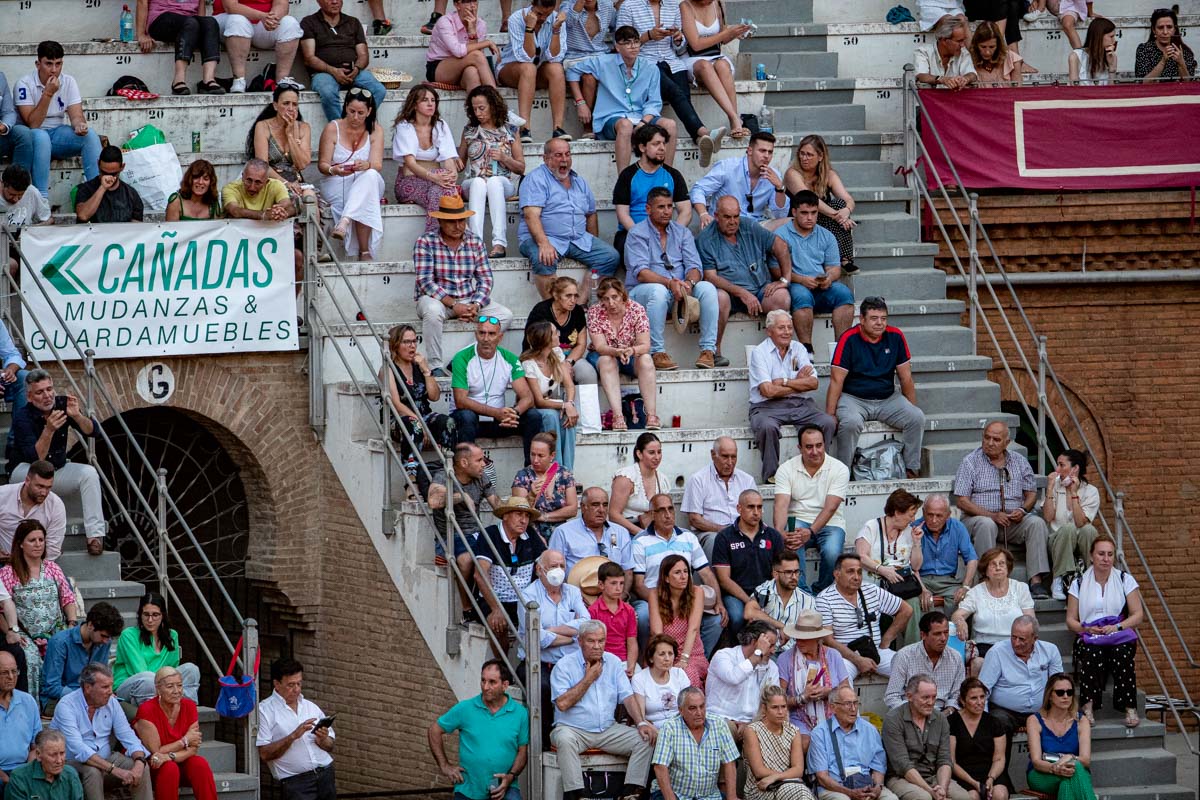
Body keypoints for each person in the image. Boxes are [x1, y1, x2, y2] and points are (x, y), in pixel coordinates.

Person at [549, 619, 654, 800]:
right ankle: (578, 795)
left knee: (645, 739)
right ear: (580, 641)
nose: (597, 646)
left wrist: (641, 722)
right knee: (564, 739)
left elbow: (628, 697)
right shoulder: (564, 665)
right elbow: (562, 704)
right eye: (591, 641)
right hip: (573, 730)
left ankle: (630, 793)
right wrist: (589, 678)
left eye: (601, 641)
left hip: (607, 729)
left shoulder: (613, 662)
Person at [616, 0, 727, 167]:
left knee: (682, 95)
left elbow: (680, 49)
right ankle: (702, 133)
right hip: (645, 63)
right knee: (677, 93)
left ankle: (700, 139)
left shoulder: (673, 5)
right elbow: (622, 41)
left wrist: (678, 39)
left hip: (672, 61)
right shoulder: (629, 6)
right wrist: (648, 36)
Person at [414, 195, 513, 374]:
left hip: (468, 299)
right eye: (452, 222)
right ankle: (435, 365)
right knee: (433, 311)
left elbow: (485, 278)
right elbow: (425, 282)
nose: (458, 226)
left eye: (461, 220)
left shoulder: (475, 241)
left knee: (505, 315)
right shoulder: (425, 242)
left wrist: (475, 305)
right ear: (441, 221)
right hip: (437, 299)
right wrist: (453, 304)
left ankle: (463, 356)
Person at [954, 420, 1052, 599]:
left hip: (1013, 521)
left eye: (996, 439)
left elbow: (1031, 494)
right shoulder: (970, 462)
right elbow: (961, 500)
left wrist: (1022, 510)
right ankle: (986, 580)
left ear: (1007, 443)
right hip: (978, 519)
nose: (990, 443)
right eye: (987, 438)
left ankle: (1036, 582)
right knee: (986, 524)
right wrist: (992, 515)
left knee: (1036, 523)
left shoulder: (1020, 462)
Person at [828, 298, 924, 480]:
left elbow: (906, 378)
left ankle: (911, 469)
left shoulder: (895, 336)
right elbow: (836, 380)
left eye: (883, 318)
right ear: (861, 320)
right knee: (850, 423)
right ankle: (843, 473)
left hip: (887, 398)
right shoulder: (848, 339)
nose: (880, 323)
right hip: (854, 398)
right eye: (874, 318)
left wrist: (912, 407)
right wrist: (830, 414)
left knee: (917, 417)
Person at [626, 187, 720, 370]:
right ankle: (657, 351)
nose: (667, 211)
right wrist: (670, 283)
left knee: (707, 288)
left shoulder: (682, 232)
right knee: (658, 291)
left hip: (680, 290)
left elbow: (695, 266)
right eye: (661, 207)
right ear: (648, 209)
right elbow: (641, 273)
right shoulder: (636, 233)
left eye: (670, 206)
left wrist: (689, 283)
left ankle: (708, 350)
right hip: (644, 292)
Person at [7, 372, 102, 551]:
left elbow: (93, 432)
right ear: (29, 396)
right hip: (24, 472)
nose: (47, 395)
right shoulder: (22, 416)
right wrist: (49, 430)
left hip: (56, 469)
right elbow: (36, 460)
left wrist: (77, 417)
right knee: (37, 479)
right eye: (40, 392)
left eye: (49, 389)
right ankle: (38, 539)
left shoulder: (62, 404)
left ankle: (94, 536)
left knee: (89, 473)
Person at [519, 138, 621, 300]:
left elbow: (591, 214)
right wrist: (543, 243)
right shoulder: (536, 179)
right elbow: (531, 215)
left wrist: (593, 239)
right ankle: (556, 309)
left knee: (609, 257)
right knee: (544, 258)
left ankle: (580, 301)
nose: (564, 159)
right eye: (558, 155)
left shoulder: (579, 182)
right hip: (546, 237)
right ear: (545, 158)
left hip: (577, 238)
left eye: (567, 154)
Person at [567, 26, 676, 172]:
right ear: (617, 47)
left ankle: (667, 175)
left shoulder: (650, 68)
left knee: (670, 124)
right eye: (627, 43)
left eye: (636, 42)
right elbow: (572, 71)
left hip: (641, 118)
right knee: (625, 125)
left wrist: (644, 122)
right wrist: (581, 102)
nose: (633, 46)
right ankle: (623, 180)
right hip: (611, 118)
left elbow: (654, 102)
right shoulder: (604, 62)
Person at [700, 200, 795, 363]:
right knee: (717, 297)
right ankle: (714, 352)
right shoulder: (706, 238)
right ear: (716, 216)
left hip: (759, 289)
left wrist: (785, 279)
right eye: (727, 217)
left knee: (782, 297)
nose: (732, 221)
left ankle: (779, 353)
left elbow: (781, 246)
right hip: (729, 294)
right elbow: (710, 276)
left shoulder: (749, 226)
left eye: (736, 216)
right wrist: (741, 293)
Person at [632, 493, 726, 657]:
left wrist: (719, 601)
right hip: (654, 597)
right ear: (652, 514)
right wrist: (663, 601)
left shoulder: (688, 537)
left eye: (670, 509)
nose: (668, 515)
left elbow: (707, 574)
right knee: (645, 616)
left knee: (717, 620)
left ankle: (698, 656)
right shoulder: (641, 541)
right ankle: (650, 657)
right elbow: (639, 584)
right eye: (661, 510)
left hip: (686, 597)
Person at [747, 311, 835, 483]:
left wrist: (785, 382)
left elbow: (813, 383)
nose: (787, 332)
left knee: (827, 422)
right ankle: (772, 476)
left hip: (800, 405)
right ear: (769, 330)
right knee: (766, 427)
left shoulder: (799, 348)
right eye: (781, 328)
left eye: (789, 327)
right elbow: (768, 391)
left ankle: (817, 468)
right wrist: (798, 383)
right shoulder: (760, 352)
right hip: (767, 407)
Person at [1066, 534, 1143, 728]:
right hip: (1090, 635)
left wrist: (1116, 627)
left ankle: (1129, 707)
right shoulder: (1079, 583)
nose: (1106, 558)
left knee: (1122, 654)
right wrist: (1086, 628)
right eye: (1101, 554)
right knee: (1092, 654)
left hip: (1118, 633)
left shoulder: (1125, 579)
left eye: (1110, 554)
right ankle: (1088, 707)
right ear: (1091, 556)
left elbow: (1138, 615)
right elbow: (1070, 620)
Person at [0, 520, 80, 702]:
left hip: (55, 629)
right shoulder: (8, 572)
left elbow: (67, 598)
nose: (37, 544)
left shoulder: (52, 568)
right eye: (32, 540)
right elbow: (2, 608)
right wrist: (11, 633)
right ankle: (34, 705)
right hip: (25, 633)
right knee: (29, 657)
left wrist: (71, 623)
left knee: (67, 649)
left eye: (41, 540)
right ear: (20, 543)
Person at [449, 316, 544, 465]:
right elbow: (460, 401)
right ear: (476, 335)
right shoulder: (462, 357)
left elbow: (528, 397)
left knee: (533, 416)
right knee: (466, 416)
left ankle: (530, 470)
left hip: (500, 420)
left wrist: (514, 413)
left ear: (500, 337)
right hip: (472, 420)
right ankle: (465, 474)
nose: (486, 338)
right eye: (482, 333)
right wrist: (496, 413)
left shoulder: (510, 358)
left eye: (491, 334)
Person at [428, 659, 528, 800]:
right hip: (469, 790)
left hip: (505, 788)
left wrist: (510, 777)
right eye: (483, 680)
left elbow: (523, 752)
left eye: (492, 682)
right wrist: (445, 766)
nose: (485, 687)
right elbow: (434, 730)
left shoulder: (520, 713)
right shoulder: (465, 708)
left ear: (505, 685)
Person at [14, 42, 102, 199]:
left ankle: (97, 192)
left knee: (90, 136)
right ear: (38, 64)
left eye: (58, 64)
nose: (54, 70)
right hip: (34, 135)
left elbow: (76, 115)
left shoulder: (69, 81)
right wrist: (47, 93)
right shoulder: (24, 83)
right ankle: (41, 199)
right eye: (48, 64)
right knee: (41, 136)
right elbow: (33, 123)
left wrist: (79, 125)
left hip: (58, 134)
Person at [517, 549, 589, 743]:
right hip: (540, 663)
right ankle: (545, 745)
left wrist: (553, 629)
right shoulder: (528, 596)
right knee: (543, 689)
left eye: (562, 566)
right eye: (553, 566)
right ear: (539, 569)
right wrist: (571, 637)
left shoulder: (572, 592)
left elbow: (586, 624)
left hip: (569, 662)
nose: (558, 571)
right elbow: (538, 639)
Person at [50, 663, 150, 800]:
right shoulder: (67, 706)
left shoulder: (111, 702)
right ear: (88, 688)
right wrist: (114, 770)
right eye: (105, 687)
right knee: (93, 771)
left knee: (141, 767)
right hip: (72, 763)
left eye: (111, 685)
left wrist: (139, 761)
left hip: (106, 759)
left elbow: (128, 736)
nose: (111, 691)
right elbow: (78, 748)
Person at [772, 425, 849, 594]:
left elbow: (831, 508)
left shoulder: (840, 469)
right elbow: (781, 504)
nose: (814, 451)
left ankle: (822, 594)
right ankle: (803, 595)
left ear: (825, 444)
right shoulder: (786, 468)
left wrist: (811, 531)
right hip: (798, 519)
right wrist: (779, 532)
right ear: (799, 448)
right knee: (791, 544)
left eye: (819, 445)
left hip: (831, 523)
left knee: (832, 552)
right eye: (808, 447)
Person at [978, 615, 1062, 767]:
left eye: (1022, 639)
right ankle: (1000, 777)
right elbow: (983, 689)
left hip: (1040, 710)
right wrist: (981, 719)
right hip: (1006, 711)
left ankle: (1055, 769)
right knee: (997, 722)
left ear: (1034, 638)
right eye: (1013, 637)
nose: (1016, 643)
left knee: (1062, 720)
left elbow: (1059, 685)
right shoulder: (997, 652)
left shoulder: (1050, 650)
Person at [776, 191, 855, 352]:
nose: (810, 217)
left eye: (814, 213)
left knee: (844, 294)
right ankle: (807, 349)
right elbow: (775, 270)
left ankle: (841, 349)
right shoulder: (780, 235)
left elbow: (834, 268)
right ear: (794, 212)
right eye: (804, 213)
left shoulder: (827, 235)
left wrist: (828, 278)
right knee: (802, 296)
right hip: (795, 283)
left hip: (821, 285)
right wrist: (801, 280)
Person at [816, 554, 912, 680]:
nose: (856, 577)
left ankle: (896, 699)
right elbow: (828, 640)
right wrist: (858, 660)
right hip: (845, 656)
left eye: (859, 572)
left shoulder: (871, 589)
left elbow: (906, 610)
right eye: (850, 572)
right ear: (837, 574)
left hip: (876, 650)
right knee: (839, 678)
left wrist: (886, 640)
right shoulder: (824, 599)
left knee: (913, 671)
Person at [458, 86, 525, 259]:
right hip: (474, 181)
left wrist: (504, 158)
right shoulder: (469, 131)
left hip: (503, 183)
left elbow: (521, 167)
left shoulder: (511, 130)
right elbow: (460, 163)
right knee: (480, 182)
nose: (478, 113)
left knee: (494, 181)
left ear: (493, 105)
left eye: (482, 108)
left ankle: (499, 244)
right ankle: (476, 244)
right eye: (474, 109)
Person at [318, 89, 385, 260]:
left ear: (369, 112)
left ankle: (344, 221)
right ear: (345, 107)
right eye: (352, 111)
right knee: (365, 196)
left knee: (370, 175)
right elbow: (323, 165)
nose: (355, 117)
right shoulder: (333, 128)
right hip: (336, 180)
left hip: (365, 179)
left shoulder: (376, 129)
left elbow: (377, 165)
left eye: (361, 113)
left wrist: (366, 165)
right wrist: (334, 169)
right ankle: (364, 252)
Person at [472, 496, 546, 650]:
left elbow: (546, 563)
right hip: (494, 598)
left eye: (526, 516)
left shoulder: (530, 535)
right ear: (505, 516)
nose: (524, 520)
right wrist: (496, 608)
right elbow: (480, 574)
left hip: (524, 599)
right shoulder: (490, 534)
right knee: (498, 624)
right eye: (519, 514)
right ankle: (503, 666)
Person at [256, 658, 336, 800]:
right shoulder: (265, 710)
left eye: (299, 683)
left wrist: (323, 739)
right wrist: (293, 736)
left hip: (325, 774)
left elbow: (330, 746)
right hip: (296, 782)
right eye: (291, 685)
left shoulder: (310, 706)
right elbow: (265, 754)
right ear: (276, 684)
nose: (297, 689)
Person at [585, 278, 658, 432]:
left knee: (646, 359)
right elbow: (600, 346)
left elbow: (645, 344)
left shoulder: (636, 309)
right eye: (606, 299)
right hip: (603, 354)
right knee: (606, 360)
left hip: (631, 353)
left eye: (614, 297)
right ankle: (618, 416)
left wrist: (631, 350)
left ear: (622, 295)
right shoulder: (595, 312)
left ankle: (651, 415)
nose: (610, 303)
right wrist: (616, 351)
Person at [133, 666, 216, 800]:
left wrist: (170, 756)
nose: (176, 691)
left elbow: (193, 749)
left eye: (180, 685)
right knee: (169, 769)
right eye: (170, 686)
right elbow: (157, 753)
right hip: (154, 767)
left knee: (200, 764)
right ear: (158, 689)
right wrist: (184, 741)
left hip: (176, 760)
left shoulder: (189, 706)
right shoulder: (146, 710)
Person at [882, 675, 971, 800]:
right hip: (901, 778)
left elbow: (944, 759)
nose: (931, 702)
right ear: (909, 696)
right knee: (924, 798)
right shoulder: (893, 720)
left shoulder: (940, 719)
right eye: (925, 698)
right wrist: (930, 790)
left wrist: (942, 790)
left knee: (963, 797)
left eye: (934, 697)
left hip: (933, 775)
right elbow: (903, 765)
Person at [427, 443, 500, 591]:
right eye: (479, 460)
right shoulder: (445, 476)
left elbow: (497, 505)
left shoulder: (481, 477)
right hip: (451, 537)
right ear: (464, 463)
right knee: (466, 560)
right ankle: (467, 608)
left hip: (476, 534)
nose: (484, 464)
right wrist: (462, 496)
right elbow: (433, 501)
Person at [711, 489, 785, 634]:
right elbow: (724, 579)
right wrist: (750, 601)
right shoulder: (724, 537)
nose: (756, 512)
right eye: (751, 507)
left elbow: (779, 572)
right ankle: (738, 648)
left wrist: (765, 597)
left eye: (759, 507)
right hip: (736, 595)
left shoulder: (773, 536)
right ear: (739, 508)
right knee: (738, 617)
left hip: (766, 592)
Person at [951, 548, 1034, 677]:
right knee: (978, 663)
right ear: (986, 570)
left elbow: (1030, 620)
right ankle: (977, 696)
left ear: (1008, 568)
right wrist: (960, 621)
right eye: (993, 564)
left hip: (1015, 644)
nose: (998, 568)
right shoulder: (976, 592)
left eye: (1002, 564)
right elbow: (957, 614)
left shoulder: (1020, 588)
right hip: (985, 646)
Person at [381, 324, 457, 465]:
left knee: (448, 422)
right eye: (406, 342)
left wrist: (427, 371)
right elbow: (396, 404)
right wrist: (420, 423)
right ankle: (412, 477)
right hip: (399, 419)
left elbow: (434, 397)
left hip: (424, 415)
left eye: (414, 341)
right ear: (395, 345)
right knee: (414, 425)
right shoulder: (388, 369)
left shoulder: (418, 366)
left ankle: (447, 467)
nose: (412, 346)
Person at [781, 135, 859, 271]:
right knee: (836, 209)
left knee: (840, 204)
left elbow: (849, 200)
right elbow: (810, 198)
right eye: (802, 153)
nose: (804, 158)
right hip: (799, 219)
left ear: (820, 156)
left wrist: (846, 211)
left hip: (823, 222)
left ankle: (844, 260)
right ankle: (841, 259)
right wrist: (838, 216)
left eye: (809, 155)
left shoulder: (829, 175)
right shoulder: (792, 173)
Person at [613, 123, 691, 259]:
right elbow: (622, 214)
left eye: (663, 143)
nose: (662, 148)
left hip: (667, 233)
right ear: (642, 147)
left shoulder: (673, 175)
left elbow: (686, 211)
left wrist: (672, 235)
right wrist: (643, 236)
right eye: (656, 144)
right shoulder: (628, 175)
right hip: (633, 233)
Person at [808, 684, 896, 800]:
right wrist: (850, 793)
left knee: (891, 799)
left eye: (855, 703)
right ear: (833, 707)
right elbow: (822, 777)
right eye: (848, 704)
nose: (853, 709)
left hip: (865, 785)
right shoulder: (820, 733)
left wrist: (877, 788)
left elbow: (879, 767)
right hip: (834, 788)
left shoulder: (870, 730)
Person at [498, 0, 569, 142]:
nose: (543, 18)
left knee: (556, 69)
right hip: (511, 69)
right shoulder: (516, 19)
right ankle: (525, 127)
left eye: (547, 14)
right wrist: (529, 28)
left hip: (537, 70)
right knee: (528, 68)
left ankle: (558, 128)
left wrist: (556, 30)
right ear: (532, 6)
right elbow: (526, 57)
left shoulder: (556, 19)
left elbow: (555, 57)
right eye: (539, 13)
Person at [113, 594, 200, 709]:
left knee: (191, 669)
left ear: (162, 615)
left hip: (161, 684)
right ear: (140, 615)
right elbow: (138, 670)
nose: (150, 620)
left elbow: (172, 670)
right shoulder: (128, 635)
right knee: (147, 678)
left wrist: (168, 686)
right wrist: (167, 688)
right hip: (131, 685)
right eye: (146, 615)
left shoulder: (172, 635)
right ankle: (159, 711)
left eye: (155, 615)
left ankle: (185, 709)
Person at [393, 84, 460, 234]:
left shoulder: (440, 125)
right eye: (425, 100)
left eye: (433, 100)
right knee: (442, 192)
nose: (431, 104)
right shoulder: (404, 127)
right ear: (415, 105)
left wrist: (451, 174)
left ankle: (435, 235)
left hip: (438, 180)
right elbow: (410, 163)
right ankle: (451, 234)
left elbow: (449, 158)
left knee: (442, 189)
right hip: (408, 181)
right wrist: (434, 176)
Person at [652, 686, 740, 800]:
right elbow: (660, 767)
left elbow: (729, 762)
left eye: (702, 706)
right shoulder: (669, 728)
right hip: (675, 794)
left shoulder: (719, 725)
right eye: (692, 708)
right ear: (681, 710)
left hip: (709, 796)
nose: (699, 712)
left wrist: (732, 797)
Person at [775, 609, 850, 740]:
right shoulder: (785, 659)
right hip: (799, 717)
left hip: (833, 715)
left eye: (804, 638)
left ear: (817, 638)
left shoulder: (833, 655)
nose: (799, 642)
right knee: (803, 742)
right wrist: (803, 697)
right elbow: (778, 700)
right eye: (797, 637)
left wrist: (829, 693)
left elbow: (846, 690)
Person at [679, 0, 749, 140]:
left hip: (715, 55)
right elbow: (696, 44)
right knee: (705, 65)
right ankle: (735, 118)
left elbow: (722, 39)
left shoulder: (717, 4)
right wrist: (726, 33)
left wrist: (735, 33)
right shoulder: (685, 6)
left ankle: (734, 121)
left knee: (722, 65)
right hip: (693, 58)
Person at [681, 437, 758, 559]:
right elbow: (694, 519)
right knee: (716, 541)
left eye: (733, 457)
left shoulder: (747, 480)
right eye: (725, 456)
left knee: (768, 538)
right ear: (713, 455)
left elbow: (756, 513)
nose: (730, 462)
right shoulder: (698, 479)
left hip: (743, 530)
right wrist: (725, 531)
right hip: (710, 533)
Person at [40, 602, 121, 716]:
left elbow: (101, 677)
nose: (106, 641)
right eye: (103, 636)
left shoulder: (103, 643)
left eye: (109, 638)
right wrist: (85, 697)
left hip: (91, 696)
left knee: (121, 710)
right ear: (90, 625)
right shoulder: (60, 642)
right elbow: (52, 687)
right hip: (58, 700)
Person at [691, 133, 788, 227]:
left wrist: (779, 187)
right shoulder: (728, 167)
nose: (767, 156)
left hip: (756, 226)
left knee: (789, 223)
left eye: (770, 152)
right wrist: (703, 214)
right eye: (762, 151)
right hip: (726, 224)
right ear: (750, 151)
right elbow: (698, 189)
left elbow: (780, 215)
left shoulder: (774, 175)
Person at [1025, 673, 1096, 800]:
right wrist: (1056, 768)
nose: (1065, 696)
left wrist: (1070, 758)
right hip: (1043, 773)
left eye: (1069, 692)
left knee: (1069, 777)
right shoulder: (1034, 720)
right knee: (1075, 770)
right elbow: (1036, 761)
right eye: (1060, 692)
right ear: (1050, 696)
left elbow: (1085, 760)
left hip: (1072, 770)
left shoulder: (1081, 720)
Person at [706, 621, 780, 740]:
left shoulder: (772, 667)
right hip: (721, 720)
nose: (773, 651)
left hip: (752, 725)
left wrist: (752, 725)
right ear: (754, 642)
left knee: (781, 727)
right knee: (726, 729)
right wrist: (758, 654)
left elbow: (772, 701)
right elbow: (734, 677)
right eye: (769, 645)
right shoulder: (723, 656)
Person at [518, 330, 579, 472]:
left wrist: (569, 404)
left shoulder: (556, 354)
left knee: (568, 416)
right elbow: (538, 401)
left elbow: (569, 385)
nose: (558, 334)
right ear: (545, 339)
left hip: (551, 403)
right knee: (550, 415)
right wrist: (564, 404)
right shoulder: (529, 364)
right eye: (553, 332)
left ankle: (567, 472)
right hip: (533, 407)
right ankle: (553, 471)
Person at [1044, 449, 1100, 601]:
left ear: (1075, 469)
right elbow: (1048, 517)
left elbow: (1081, 522)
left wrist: (1073, 493)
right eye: (1057, 464)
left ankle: (1093, 579)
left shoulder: (1091, 491)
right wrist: (1049, 488)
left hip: (1080, 540)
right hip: (1057, 540)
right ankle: (1058, 579)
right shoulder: (1055, 485)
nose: (1057, 470)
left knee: (1089, 530)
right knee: (1068, 528)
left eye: (1062, 465)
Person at [213, 0, 303, 93]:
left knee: (290, 23)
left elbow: (281, 4)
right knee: (238, 21)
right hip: (229, 17)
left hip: (263, 21)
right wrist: (262, 16)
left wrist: (272, 18)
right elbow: (231, 6)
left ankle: (281, 80)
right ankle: (239, 80)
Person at [134, 0, 222, 95]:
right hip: (161, 18)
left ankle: (208, 80)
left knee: (210, 22)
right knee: (191, 23)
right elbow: (142, 2)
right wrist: (141, 34)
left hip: (190, 21)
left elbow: (201, 3)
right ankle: (178, 80)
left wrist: (201, 32)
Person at [743, 684, 815, 800]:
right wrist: (784, 777)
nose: (781, 712)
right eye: (775, 707)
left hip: (787, 784)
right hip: (761, 788)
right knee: (801, 793)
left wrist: (776, 777)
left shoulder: (793, 731)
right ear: (764, 708)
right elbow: (759, 771)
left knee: (801, 793)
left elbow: (798, 769)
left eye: (783, 707)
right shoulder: (752, 731)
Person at [884, 612, 965, 712]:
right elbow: (892, 697)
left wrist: (946, 714)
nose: (943, 638)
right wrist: (914, 713)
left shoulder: (956, 658)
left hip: (944, 715)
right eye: (937, 634)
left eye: (946, 632)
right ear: (923, 635)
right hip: (910, 713)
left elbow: (957, 695)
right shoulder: (904, 656)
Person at [524, 276, 597, 386]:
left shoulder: (577, 311)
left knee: (588, 373)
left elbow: (581, 344)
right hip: (544, 358)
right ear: (556, 295)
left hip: (570, 357)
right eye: (568, 296)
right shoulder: (541, 311)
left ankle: (586, 404)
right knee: (551, 375)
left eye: (575, 296)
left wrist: (568, 363)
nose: (573, 300)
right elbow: (534, 345)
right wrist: (559, 365)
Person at [947, 678, 1011, 800]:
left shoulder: (994, 722)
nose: (980, 702)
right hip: (963, 773)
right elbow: (952, 762)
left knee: (999, 794)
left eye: (982, 697)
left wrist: (991, 778)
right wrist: (974, 783)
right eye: (973, 698)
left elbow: (999, 758)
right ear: (962, 700)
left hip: (991, 771)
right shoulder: (952, 722)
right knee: (972, 796)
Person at [649, 554, 709, 686]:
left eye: (686, 571)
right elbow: (657, 632)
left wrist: (684, 659)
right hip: (665, 652)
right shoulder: (654, 594)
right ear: (666, 578)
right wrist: (667, 658)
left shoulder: (697, 592)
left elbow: (694, 628)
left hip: (691, 654)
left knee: (686, 673)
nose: (683, 576)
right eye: (677, 572)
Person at [855, 489, 925, 597]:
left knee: (912, 602)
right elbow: (861, 557)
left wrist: (916, 542)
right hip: (873, 587)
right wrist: (882, 570)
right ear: (897, 513)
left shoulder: (909, 531)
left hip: (902, 588)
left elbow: (916, 566)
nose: (913, 520)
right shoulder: (872, 527)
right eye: (911, 515)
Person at [744, 550, 817, 653]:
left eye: (796, 572)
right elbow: (749, 613)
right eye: (788, 572)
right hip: (766, 652)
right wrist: (782, 627)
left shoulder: (808, 600)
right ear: (776, 574)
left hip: (794, 654)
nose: (794, 577)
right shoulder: (765, 591)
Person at [549, 487, 634, 576]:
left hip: (614, 588)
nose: (601, 510)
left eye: (605, 505)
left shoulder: (620, 532)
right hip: (576, 588)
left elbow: (627, 570)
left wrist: (624, 590)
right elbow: (553, 570)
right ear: (583, 507)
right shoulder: (563, 532)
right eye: (595, 505)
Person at [247, 85, 311, 198]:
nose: (291, 108)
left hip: (296, 180)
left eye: (294, 104)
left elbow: (302, 164)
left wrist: (290, 135)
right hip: (271, 180)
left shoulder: (304, 128)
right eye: (286, 103)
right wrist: (285, 183)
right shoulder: (263, 126)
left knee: (310, 198)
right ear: (275, 106)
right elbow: (263, 165)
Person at [511, 431, 577, 538]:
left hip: (560, 531)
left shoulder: (564, 473)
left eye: (540, 456)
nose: (535, 460)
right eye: (532, 454)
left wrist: (544, 516)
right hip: (530, 530)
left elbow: (573, 509)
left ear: (552, 456)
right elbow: (519, 511)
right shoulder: (523, 476)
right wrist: (531, 495)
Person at [426, 0, 502, 93]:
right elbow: (458, 51)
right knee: (477, 56)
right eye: (467, 1)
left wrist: (472, 30)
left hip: (466, 65)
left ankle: (476, 106)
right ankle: (496, 101)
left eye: (474, 1)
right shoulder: (445, 22)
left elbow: (475, 55)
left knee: (472, 72)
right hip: (440, 67)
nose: (472, 6)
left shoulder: (480, 24)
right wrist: (487, 43)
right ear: (457, 5)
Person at [0, 461, 64, 561]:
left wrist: (38, 571)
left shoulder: (55, 505)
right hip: (5, 563)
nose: (44, 493)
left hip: (38, 565)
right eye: (40, 486)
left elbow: (53, 550)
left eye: (48, 488)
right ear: (27, 481)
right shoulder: (3, 495)